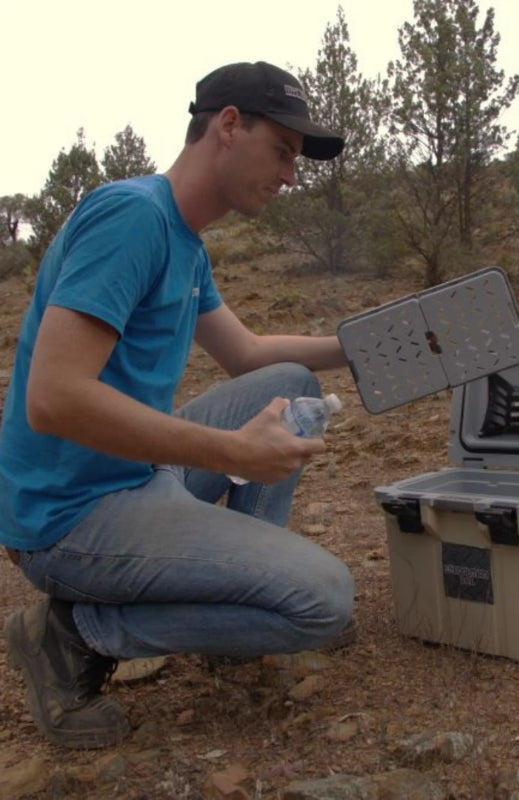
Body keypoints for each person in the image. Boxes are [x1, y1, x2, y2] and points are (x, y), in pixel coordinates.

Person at [0, 61, 355, 750]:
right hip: (68, 518)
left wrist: (358, 344)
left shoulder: (183, 242)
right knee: (323, 602)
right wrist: (230, 451)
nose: (290, 175)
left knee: (290, 382)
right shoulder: (132, 217)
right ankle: (75, 633)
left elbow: (248, 355)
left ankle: (236, 619)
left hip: (135, 475)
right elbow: (53, 398)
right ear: (227, 125)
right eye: (282, 149)